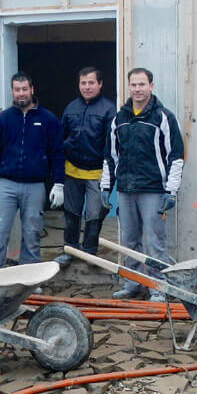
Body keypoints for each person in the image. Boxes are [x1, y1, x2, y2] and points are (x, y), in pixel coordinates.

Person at [101, 67, 184, 301]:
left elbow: (176, 156)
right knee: (128, 240)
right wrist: (106, 187)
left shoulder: (163, 117)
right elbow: (110, 156)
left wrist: (171, 190)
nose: (138, 89)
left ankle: (158, 288)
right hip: (126, 189)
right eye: (134, 85)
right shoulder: (119, 119)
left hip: (153, 189)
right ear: (129, 87)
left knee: (154, 241)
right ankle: (133, 284)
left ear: (151, 86)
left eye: (142, 84)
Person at [0, 72, 65, 272]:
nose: (21, 94)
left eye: (24, 89)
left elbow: (57, 154)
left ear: (32, 90)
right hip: (7, 185)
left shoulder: (48, 120)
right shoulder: (2, 121)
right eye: (17, 90)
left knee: (33, 232)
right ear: (12, 91)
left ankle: (30, 277)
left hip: (35, 186)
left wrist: (59, 183)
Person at [54, 67, 115, 266]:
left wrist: (108, 174)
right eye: (83, 83)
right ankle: (70, 250)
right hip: (72, 170)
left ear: (100, 84)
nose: (86, 87)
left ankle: (90, 252)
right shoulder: (71, 107)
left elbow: (111, 145)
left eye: (91, 83)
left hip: (96, 172)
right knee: (71, 213)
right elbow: (60, 138)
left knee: (94, 214)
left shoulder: (108, 109)